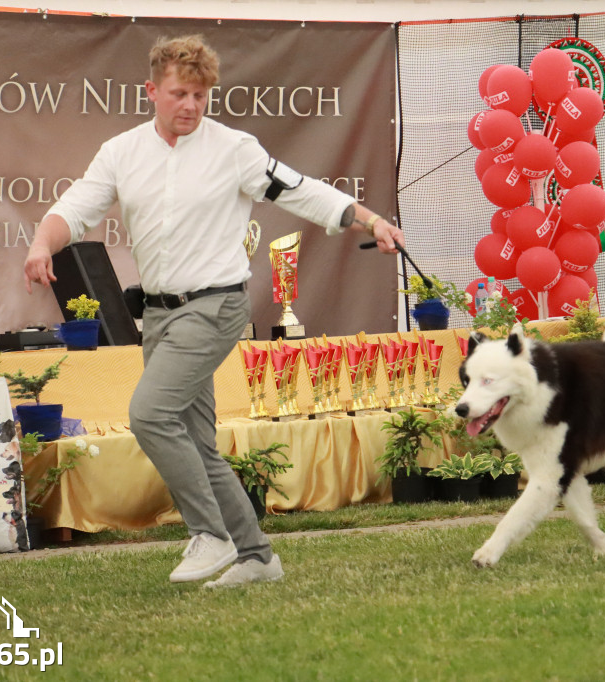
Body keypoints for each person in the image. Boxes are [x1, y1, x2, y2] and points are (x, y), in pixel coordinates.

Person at [22, 34, 404, 587]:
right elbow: (75, 208)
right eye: (180, 94)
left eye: (201, 96)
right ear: (151, 90)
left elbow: (303, 191)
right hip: (158, 316)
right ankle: (257, 557)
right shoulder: (121, 152)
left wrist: (370, 221)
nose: (192, 107)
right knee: (196, 441)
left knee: (150, 416)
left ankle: (210, 534)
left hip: (217, 306)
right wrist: (40, 245)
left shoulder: (235, 149)